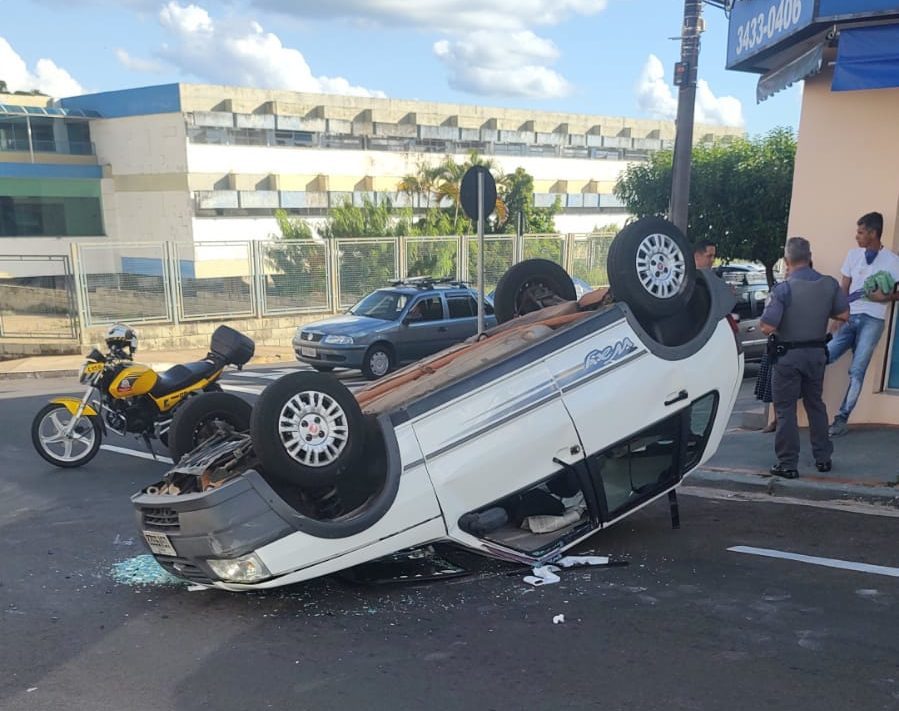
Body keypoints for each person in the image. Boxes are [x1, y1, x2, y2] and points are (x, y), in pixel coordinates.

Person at [759, 237, 849, 478]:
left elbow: (767, 326)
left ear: (787, 261)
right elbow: (844, 314)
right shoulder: (829, 285)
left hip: (787, 357)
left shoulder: (783, 289)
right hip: (817, 355)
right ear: (810, 257)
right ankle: (823, 458)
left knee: (785, 410)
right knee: (815, 405)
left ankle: (788, 464)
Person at [826, 212, 899, 436]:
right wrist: (838, 316)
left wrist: (885, 297)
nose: (856, 236)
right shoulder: (853, 255)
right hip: (849, 316)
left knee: (857, 371)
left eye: (860, 232)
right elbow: (844, 287)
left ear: (873, 233)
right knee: (822, 355)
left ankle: (841, 418)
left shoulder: (893, 260)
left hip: (873, 321)